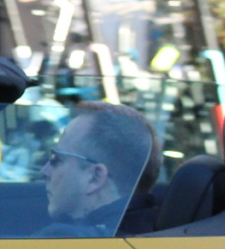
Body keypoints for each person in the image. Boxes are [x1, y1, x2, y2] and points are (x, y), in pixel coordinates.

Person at [35, 101, 157, 237]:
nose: (45, 171)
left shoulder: (61, 240)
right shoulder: (169, 230)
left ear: (95, 177)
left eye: (56, 159)